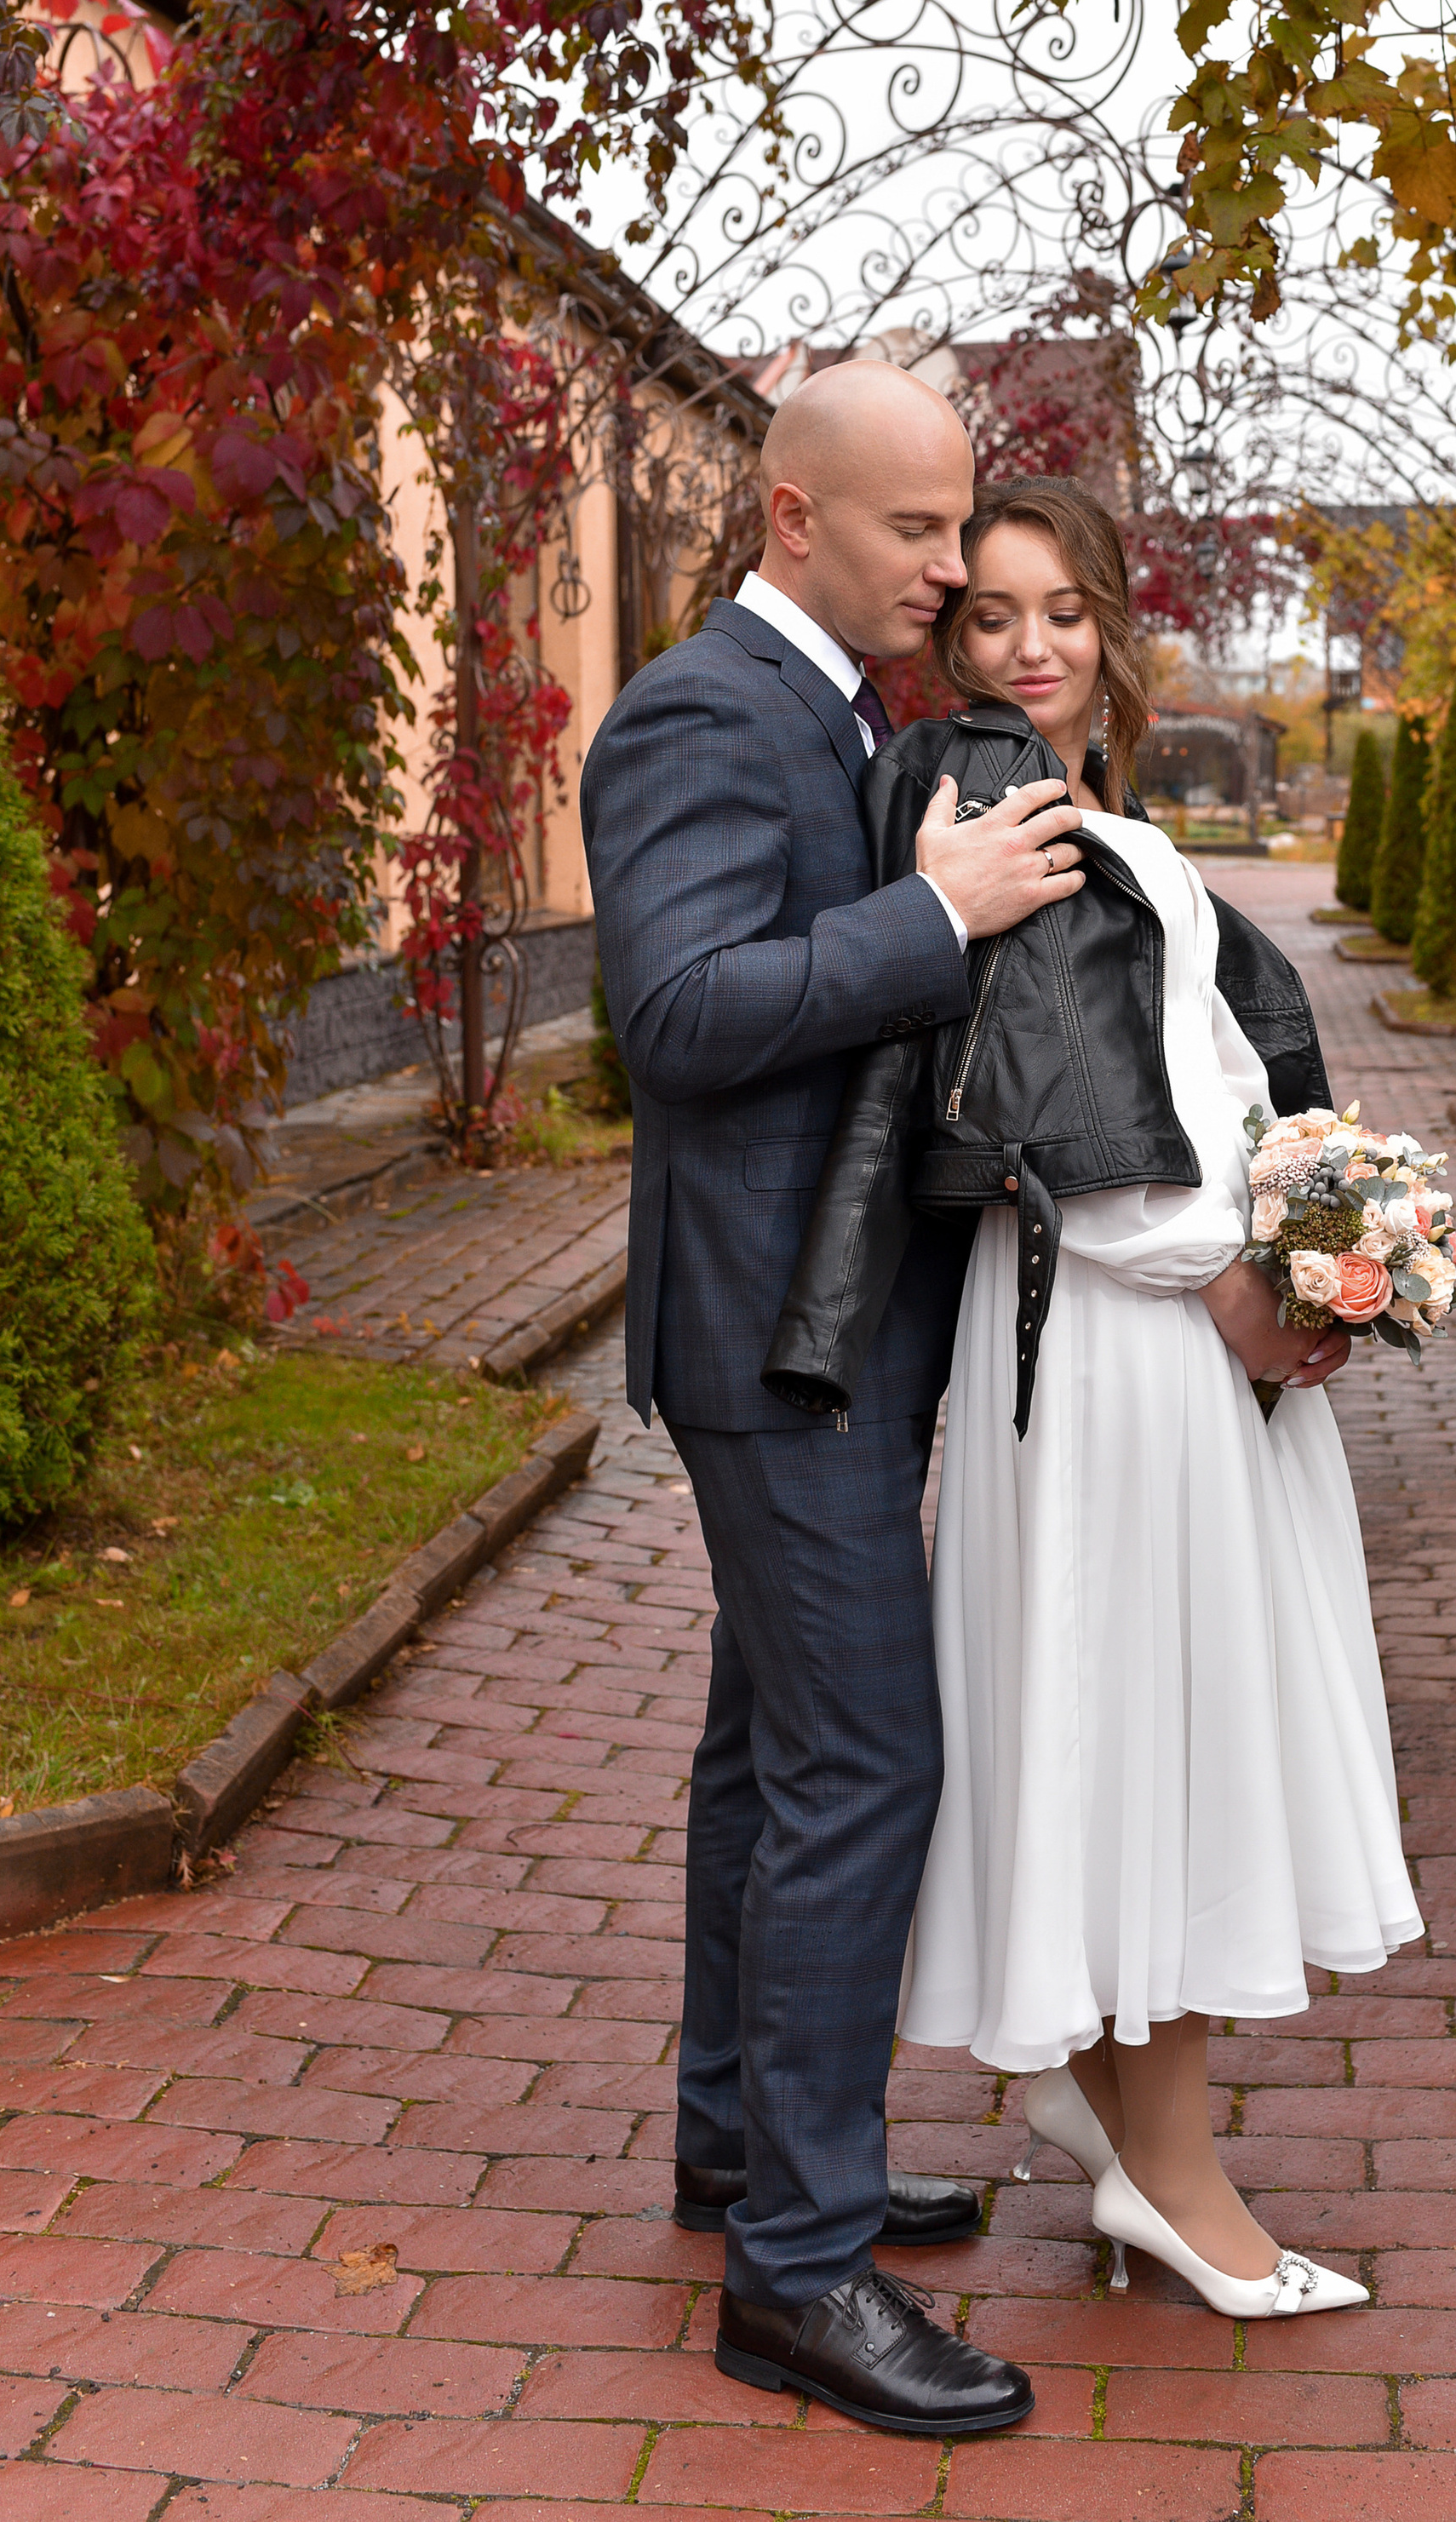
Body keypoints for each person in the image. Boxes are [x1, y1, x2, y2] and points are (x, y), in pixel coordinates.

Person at [770, 475, 1424, 2320]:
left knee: (1167, 1737)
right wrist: (1233, 1284)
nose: (1029, 646)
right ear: (945, 641)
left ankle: (1126, 2135)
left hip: (1161, 1348)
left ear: (1109, 629)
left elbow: (1209, 1082)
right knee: (1161, 1743)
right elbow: (1066, 1133)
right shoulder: (995, 813)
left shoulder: (1087, 824)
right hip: (1128, 1342)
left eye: (1060, 612)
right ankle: (1174, 2182)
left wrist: (1325, 1247)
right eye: (989, 616)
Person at [580, 366, 1089, 2440]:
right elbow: (681, 1021)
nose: (955, 569)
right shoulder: (708, 710)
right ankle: (794, 2278)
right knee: (865, 1766)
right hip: (772, 1356)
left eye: (959, 526)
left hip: (831, 1331)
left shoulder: (838, 716)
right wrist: (932, 918)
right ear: (792, 517)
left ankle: (741, 2155)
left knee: (766, 1755)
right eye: (916, 533)